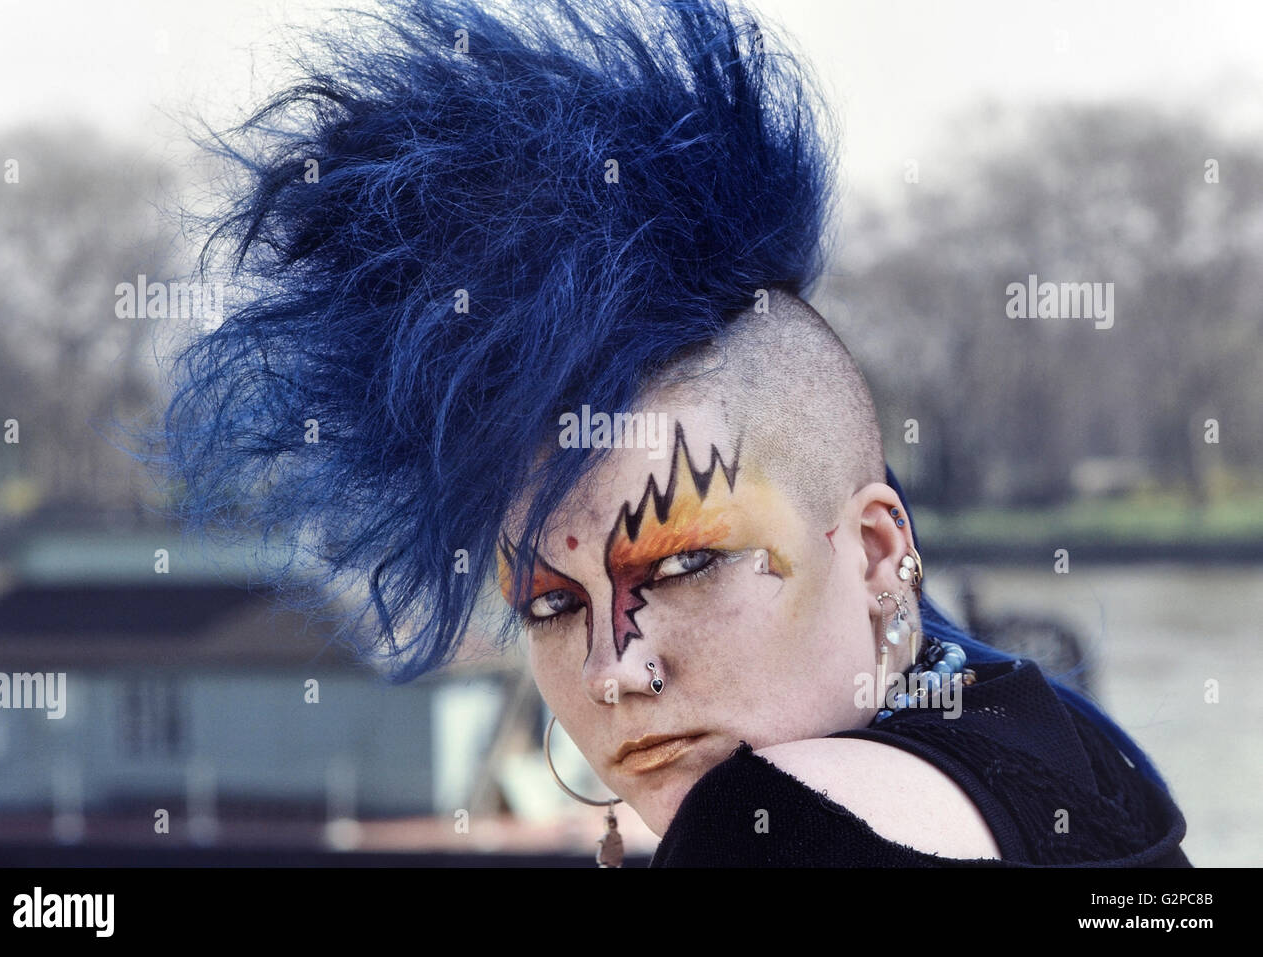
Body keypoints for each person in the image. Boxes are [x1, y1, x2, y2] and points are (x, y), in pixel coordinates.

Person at [154, 0, 1190, 866]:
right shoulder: (1091, 756)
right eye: (552, 605)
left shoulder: (765, 830)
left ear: (878, 552)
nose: (616, 671)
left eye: (687, 563)